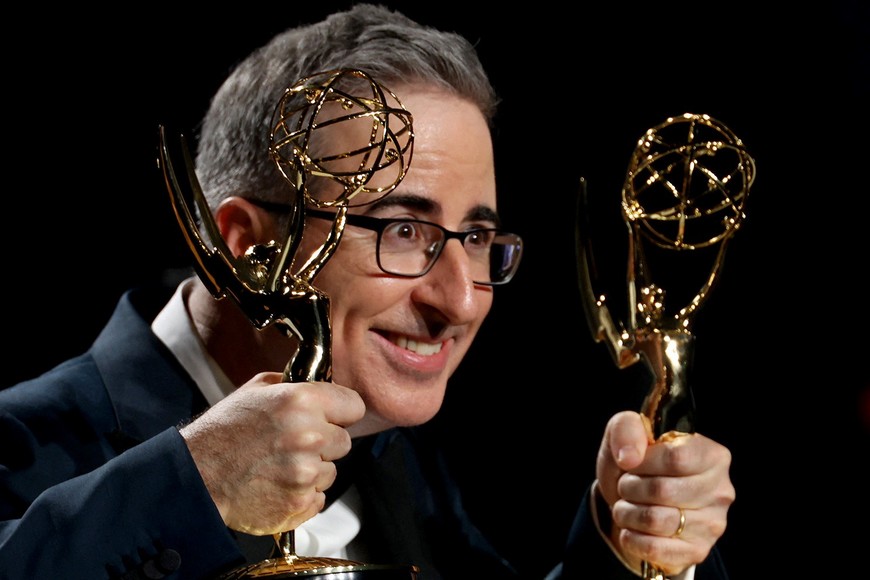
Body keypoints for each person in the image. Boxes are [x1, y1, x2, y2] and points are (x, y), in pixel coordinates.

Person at [0, 4, 735, 579]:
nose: (462, 300)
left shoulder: (395, 461)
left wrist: (631, 541)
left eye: (477, 239)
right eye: (403, 232)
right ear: (245, 245)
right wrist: (190, 487)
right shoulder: (22, 444)